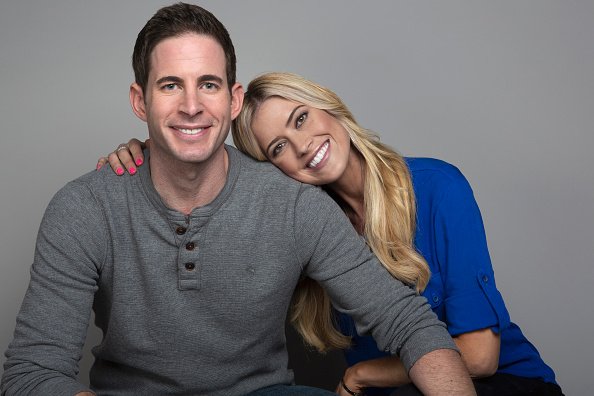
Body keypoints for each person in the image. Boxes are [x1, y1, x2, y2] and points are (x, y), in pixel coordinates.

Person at [1, 3, 477, 396]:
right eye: (170, 85)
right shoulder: (84, 208)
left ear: (232, 101)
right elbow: (31, 374)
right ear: (140, 102)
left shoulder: (293, 204)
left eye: (207, 84)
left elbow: (407, 322)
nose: (191, 105)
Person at [102, 72, 564, 396]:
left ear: (329, 107)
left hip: (505, 385)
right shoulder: (305, 225)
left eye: (300, 118)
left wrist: (365, 374)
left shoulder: (438, 187)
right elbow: (215, 198)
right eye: (278, 147)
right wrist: (158, 155)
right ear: (273, 170)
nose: (302, 146)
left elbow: (480, 357)